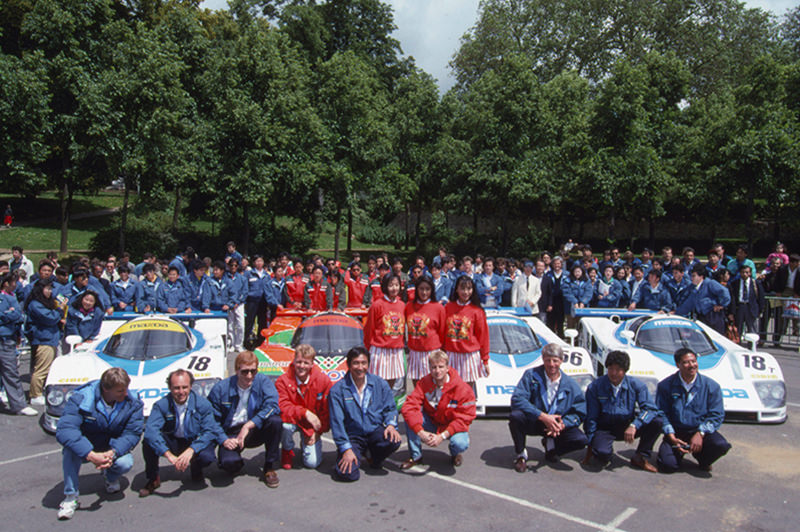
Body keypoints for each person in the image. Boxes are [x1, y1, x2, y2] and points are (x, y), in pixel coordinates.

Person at [55, 368, 144, 520]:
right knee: (70, 451)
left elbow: (132, 433)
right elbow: (66, 430)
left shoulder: (133, 402)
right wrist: (90, 454)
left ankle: (110, 477)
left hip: (110, 445)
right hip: (86, 444)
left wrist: (113, 452)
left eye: (126, 389)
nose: (125, 394)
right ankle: (70, 497)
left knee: (125, 462)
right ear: (106, 389)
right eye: (120, 391)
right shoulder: (81, 398)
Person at [139, 369, 221, 496]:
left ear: (191, 386)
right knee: (148, 443)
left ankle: (196, 467)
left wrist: (192, 450)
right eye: (176, 388)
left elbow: (210, 431)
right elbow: (151, 431)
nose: (181, 392)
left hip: (193, 440)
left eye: (185, 387)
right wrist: (168, 454)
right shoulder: (161, 405)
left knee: (207, 456)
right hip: (173, 441)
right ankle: (153, 478)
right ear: (169, 388)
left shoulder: (203, 404)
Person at [207, 351, 282, 487]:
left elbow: (273, 405)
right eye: (245, 372)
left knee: (275, 421)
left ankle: (269, 466)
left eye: (253, 371)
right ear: (236, 370)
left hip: (253, 428)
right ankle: (233, 460)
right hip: (231, 432)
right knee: (229, 465)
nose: (249, 376)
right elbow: (211, 419)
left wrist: (249, 425)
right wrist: (223, 439)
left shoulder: (262, 381)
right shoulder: (221, 389)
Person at [509, 343, 587, 471]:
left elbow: (580, 411)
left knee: (581, 440)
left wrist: (563, 424)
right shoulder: (531, 375)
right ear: (543, 359)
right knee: (516, 416)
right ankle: (521, 455)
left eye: (555, 360)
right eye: (548, 360)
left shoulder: (571, 384)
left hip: (556, 426)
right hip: (535, 421)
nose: (551, 364)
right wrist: (543, 416)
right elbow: (517, 399)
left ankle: (552, 448)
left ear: (561, 361)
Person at [328, 347, 401, 481]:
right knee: (348, 475)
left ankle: (373, 457)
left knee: (393, 439)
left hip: (374, 430)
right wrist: (346, 449)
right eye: (356, 363)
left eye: (364, 363)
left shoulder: (380, 384)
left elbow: (390, 408)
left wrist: (391, 425)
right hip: (353, 436)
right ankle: (348, 456)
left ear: (368, 364)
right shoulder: (337, 390)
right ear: (348, 365)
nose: (360, 367)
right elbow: (336, 423)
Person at [582, 351, 661, 472]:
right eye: (610, 369)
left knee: (657, 421)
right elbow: (591, 417)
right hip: (605, 427)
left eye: (618, 370)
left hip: (627, 425)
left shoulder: (637, 385)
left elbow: (650, 409)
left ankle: (640, 456)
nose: (613, 373)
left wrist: (635, 425)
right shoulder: (595, 386)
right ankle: (602, 451)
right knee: (602, 454)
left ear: (625, 370)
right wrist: (590, 442)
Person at [656, 348, 732, 473]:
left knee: (720, 445)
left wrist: (700, 433)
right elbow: (661, 413)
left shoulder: (711, 386)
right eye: (686, 362)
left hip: (700, 431)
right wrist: (671, 436)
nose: (691, 365)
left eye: (694, 361)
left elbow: (716, 415)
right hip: (676, 432)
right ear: (678, 365)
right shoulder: (665, 385)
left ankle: (703, 458)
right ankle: (677, 453)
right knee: (667, 466)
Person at [400, 350, 476, 469]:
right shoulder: (424, 383)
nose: (437, 371)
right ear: (429, 368)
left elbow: (465, 418)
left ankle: (455, 453)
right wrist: (420, 432)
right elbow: (409, 406)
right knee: (410, 418)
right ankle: (416, 456)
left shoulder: (463, 389)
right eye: (434, 367)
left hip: (451, 425)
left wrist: (442, 436)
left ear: (447, 368)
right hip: (432, 422)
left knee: (460, 443)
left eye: (441, 367)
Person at [275, 344, 332, 470]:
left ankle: (306, 442)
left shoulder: (323, 381)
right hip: (293, 420)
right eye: (299, 362)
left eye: (306, 363)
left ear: (312, 364)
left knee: (312, 464)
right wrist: (304, 412)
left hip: (311, 425)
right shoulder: (282, 381)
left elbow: (327, 410)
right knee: (284, 425)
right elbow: (282, 406)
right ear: (294, 361)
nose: (301, 366)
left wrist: (318, 433)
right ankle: (287, 449)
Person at [444, 276, 490, 390]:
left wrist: (485, 360)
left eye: (469, 288)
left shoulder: (477, 311)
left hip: (469, 356)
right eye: (462, 288)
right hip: (451, 355)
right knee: (450, 390)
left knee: (466, 391)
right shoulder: (448, 307)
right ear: (456, 289)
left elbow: (483, 337)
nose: (466, 292)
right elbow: (442, 331)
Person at [0, 273, 37, 416]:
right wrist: (7, 315)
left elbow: (18, 317)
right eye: (13, 282)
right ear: (6, 283)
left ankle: (19, 405)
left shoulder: (12, 298)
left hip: (7, 340)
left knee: (11, 373)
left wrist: (7, 315)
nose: (16, 285)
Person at [24, 279, 65, 406]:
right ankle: (35, 395)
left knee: (47, 368)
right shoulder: (35, 304)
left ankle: (40, 391)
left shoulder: (46, 303)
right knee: (41, 369)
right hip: (43, 339)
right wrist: (59, 310)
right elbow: (50, 318)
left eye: (51, 289)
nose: (50, 291)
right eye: (47, 289)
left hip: (50, 338)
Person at [363, 273, 406, 389]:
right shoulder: (377, 305)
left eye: (396, 285)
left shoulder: (402, 305)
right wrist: (367, 348)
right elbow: (369, 329)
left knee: (391, 382)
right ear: (385, 286)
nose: (394, 288)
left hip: (396, 349)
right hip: (380, 349)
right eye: (391, 285)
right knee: (377, 382)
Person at [405, 277, 446, 386]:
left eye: (427, 289)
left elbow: (442, 332)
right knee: (417, 387)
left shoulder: (438, 308)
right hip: (414, 352)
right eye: (421, 289)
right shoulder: (409, 306)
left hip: (431, 352)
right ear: (416, 289)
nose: (424, 292)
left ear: (432, 290)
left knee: (433, 386)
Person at [677, 265, 731, 334]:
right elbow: (687, 305)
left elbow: (724, 292)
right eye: (691, 276)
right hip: (702, 318)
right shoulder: (694, 288)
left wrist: (721, 305)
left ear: (701, 276)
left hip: (713, 316)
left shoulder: (710, 283)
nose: (691, 278)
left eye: (694, 276)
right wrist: (676, 313)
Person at [728, 264, 765, 338]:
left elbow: (761, 297)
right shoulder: (735, 283)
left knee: (752, 328)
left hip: (751, 307)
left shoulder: (755, 283)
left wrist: (760, 309)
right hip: (740, 307)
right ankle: (738, 342)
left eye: (747, 272)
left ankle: (752, 343)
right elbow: (733, 298)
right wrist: (732, 311)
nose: (745, 274)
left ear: (750, 273)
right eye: (743, 272)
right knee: (738, 328)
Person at [226, 258, 247, 352]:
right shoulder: (225, 278)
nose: (233, 267)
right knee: (230, 326)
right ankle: (231, 344)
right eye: (231, 265)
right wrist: (230, 303)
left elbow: (245, 292)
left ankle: (239, 345)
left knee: (241, 325)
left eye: (235, 265)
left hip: (239, 304)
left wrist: (237, 302)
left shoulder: (242, 278)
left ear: (238, 266)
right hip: (229, 305)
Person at [562, 263, 592, 329]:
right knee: (571, 325)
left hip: (583, 306)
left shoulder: (587, 281)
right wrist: (574, 302)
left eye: (579, 271)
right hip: (570, 307)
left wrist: (583, 302)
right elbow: (567, 292)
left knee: (582, 325)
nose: (577, 273)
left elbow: (588, 293)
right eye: (575, 272)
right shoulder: (567, 281)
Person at [545, 257, 566, 335]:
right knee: (551, 320)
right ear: (552, 264)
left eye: (558, 263)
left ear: (561, 264)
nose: (557, 265)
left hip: (562, 301)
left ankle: (561, 336)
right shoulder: (548, 274)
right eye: (555, 263)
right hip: (551, 300)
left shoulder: (566, 274)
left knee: (561, 320)